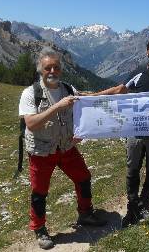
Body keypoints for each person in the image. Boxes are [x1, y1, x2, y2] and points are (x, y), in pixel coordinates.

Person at [19, 47, 105, 250]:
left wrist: (81, 132)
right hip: (41, 150)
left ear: (60, 70)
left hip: (66, 146)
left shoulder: (68, 89)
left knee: (83, 177)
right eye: (47, 67)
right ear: (40, 69)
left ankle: (85, 214)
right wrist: (57, 106)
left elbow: (85, 106)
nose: (52, 71)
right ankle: (39, 229)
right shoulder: (30, 93)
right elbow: (31, 123)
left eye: (56, 67)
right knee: (40, 191)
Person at [95, 35, 149, 227]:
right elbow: (120, 89)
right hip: (135, 133)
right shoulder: (138, 73)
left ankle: (145, 206)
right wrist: (93, 96)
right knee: (132, 171)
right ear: (147, 52)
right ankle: (132, 208)